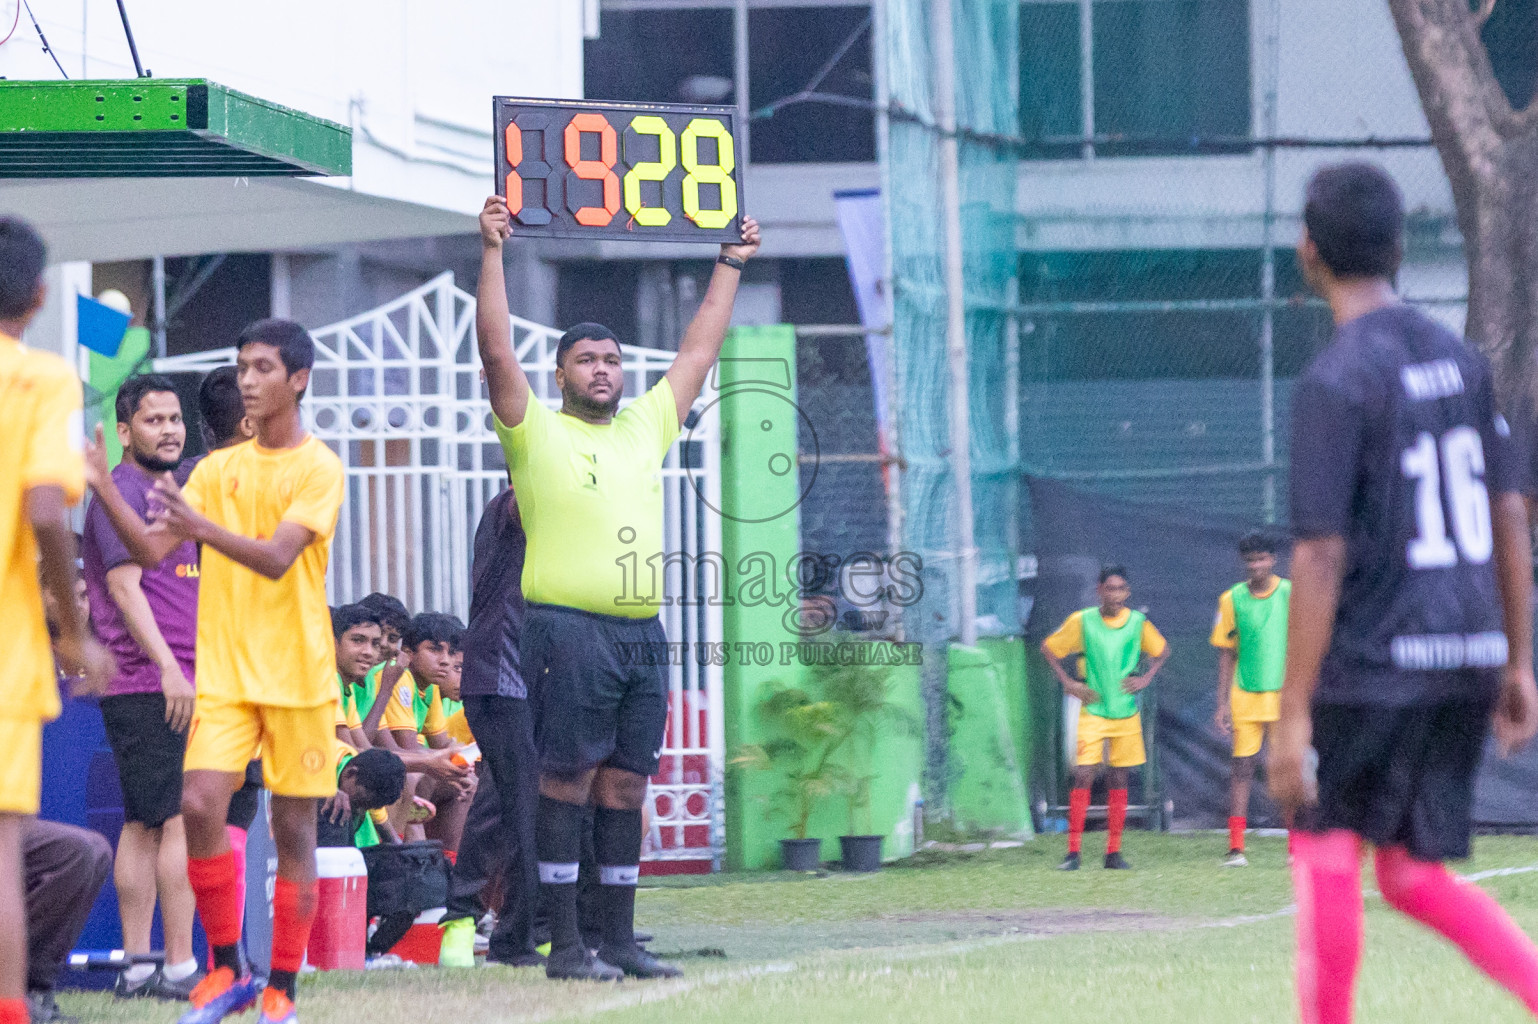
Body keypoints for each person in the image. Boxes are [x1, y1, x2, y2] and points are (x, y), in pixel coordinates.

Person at [1268, 162, 1538, 1024]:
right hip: (1464, 653)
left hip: (1373, 662)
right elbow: (1509, 513)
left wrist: (1293, 710)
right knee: (1412, 874)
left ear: (1308, 252)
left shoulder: (1337, 381)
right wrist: (1517, 657)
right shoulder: (1462, 362)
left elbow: (1317, 557)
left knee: (1324, 849)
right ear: (1398, 247)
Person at [477, 194, 761, 980]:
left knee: (627, 786)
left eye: (610, 360)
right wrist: (494, 250)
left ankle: (618, 941)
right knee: (565, 779)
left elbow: (700, 350)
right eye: (587, 361)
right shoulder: (534, 428)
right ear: (561, 373)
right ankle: (564, 947)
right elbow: (497, 352)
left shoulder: (644, 426)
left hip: (642, 633)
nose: (602, 370)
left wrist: (730, 265)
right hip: (565, 629)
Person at [101, 318, 346, 1024]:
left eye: (264, 367)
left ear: (297, 379)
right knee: (201, 806)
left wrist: (201, 529)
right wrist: (103, 487)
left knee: (295, 831)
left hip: (298, 677)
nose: (247, 378)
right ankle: (229, 966)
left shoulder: (318, 466)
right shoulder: (214, 471)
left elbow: (274, 558)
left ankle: (283, 990)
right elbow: (149, 553)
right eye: (242, 366)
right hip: (228, 677)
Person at [0, 216, 116, 1024]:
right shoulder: (40, 379)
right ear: (40, 296)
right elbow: (45, 504)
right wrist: (73, 628)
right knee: (4, 851)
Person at [81, 374, 204, 999]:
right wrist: (169, 668)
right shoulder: (118, 493)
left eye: (175, 418)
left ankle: (141, 968)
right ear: (125, 433)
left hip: (182, 678)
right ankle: (170, 966)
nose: (170, 430)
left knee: (153, 822)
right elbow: (126, 589)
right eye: (154, 421)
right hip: (149, 681)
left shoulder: (174, 493)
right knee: (162, 821)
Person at [437, 486, 541, 969]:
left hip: (538, 673)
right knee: (515, 803)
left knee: (512, 799)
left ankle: (528, 926)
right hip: (502, 672)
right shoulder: (516, 502)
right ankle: (479, 925)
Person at [1040, 566, 1169, 871]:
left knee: (1119, 778)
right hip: (1093, 710)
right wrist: (1068, 682)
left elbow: (1162, 651)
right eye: (1110, 589)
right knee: (1083, 774)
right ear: (1100, 590)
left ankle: (1113, 852)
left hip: (1125, 712)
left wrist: (1146, 677)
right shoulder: (1082, 621)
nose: (1116, 595)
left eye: (1121, 589)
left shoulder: (1137, 622)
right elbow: (1049, 648)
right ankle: (1073, 852)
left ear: (1128, 592)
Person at [1210, 532, 1290, 867]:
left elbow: (1305, 641)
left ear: (1273, 559)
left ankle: (1297, 847)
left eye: (1262, 558)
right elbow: (1226, 653)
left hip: (1283, 695)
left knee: (1288, 770)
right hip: (1244, 694)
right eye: (1251, 560)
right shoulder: (1231, 599)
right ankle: (1236, 847)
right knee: (1242, 768)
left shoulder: (1289, 593)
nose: (1256, 565)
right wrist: (1221, 704)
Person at [332, 605, 382, 753]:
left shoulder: (347, 686)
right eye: (358, 640)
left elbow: (365, 749)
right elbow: (353, 754)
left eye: (375, 644)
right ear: (333, 643)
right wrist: (427, 763)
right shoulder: (328, 680)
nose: (369, 652)